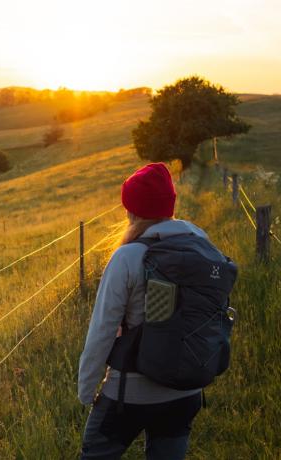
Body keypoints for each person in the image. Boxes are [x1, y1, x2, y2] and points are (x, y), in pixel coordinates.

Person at [78, 163, 207, 459]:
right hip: (186, 392)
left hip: (128, 394)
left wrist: (87, 391)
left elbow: (102, 331)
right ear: (170, 204)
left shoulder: (128, 256)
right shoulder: (200, 243)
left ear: (131, 211)